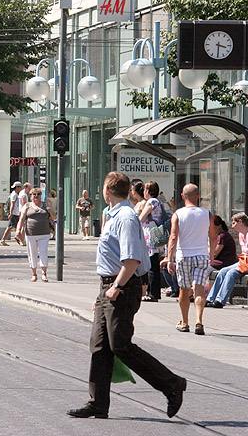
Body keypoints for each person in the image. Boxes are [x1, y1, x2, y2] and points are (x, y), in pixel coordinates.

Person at [67, 171, 186, 420]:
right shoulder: (114, 216)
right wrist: (103, 292)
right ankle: (98, 403)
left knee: (120, 345)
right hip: (109, 286)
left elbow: (132, 259)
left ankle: (171, 383)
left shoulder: (125, 218)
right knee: (100, 346)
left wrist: (116, 287)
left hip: (122, 287)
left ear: (107, 190)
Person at [166, 183, 216, 335]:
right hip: (201, 256)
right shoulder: (207, 214)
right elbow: (213, 236)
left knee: (184, 290)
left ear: (183, 196)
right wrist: (211, 254)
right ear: (198, 196)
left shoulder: (178, 214)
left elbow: (173, 237)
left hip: (184, 256)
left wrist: (169, 258)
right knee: (199, 289)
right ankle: (199, 321)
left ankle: (185, 322)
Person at [206, 213, 248, 314]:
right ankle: (210, 298)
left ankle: (220, 301)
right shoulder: (241, 234)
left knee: (231, 273)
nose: (232, 225)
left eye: (234, 222)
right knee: (222, 271)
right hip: (243, 261)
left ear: (240, 222)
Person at [138, 181, 167, 302]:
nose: (143, 192)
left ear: (149, 191)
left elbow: (142, 217)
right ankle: (154, 292)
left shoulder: (151, 201)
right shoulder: (158, 201)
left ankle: (153, 293)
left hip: (150, 235)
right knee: (153, 264)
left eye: (145, 189)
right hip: (154, 234)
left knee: (152, 265)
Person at [16, 188, 51, 282]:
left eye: (38, 194)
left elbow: (54, 217)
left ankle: (44, 273)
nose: (36, 196)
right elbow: (21, 219)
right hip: (31, 234)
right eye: (33, 194)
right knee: (32, 253)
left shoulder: (45, 205)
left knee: (43, 253)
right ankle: (34, 273)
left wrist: (50, 209)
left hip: (44, 233)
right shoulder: (27, 206)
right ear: (30, 196)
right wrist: (18, 230)